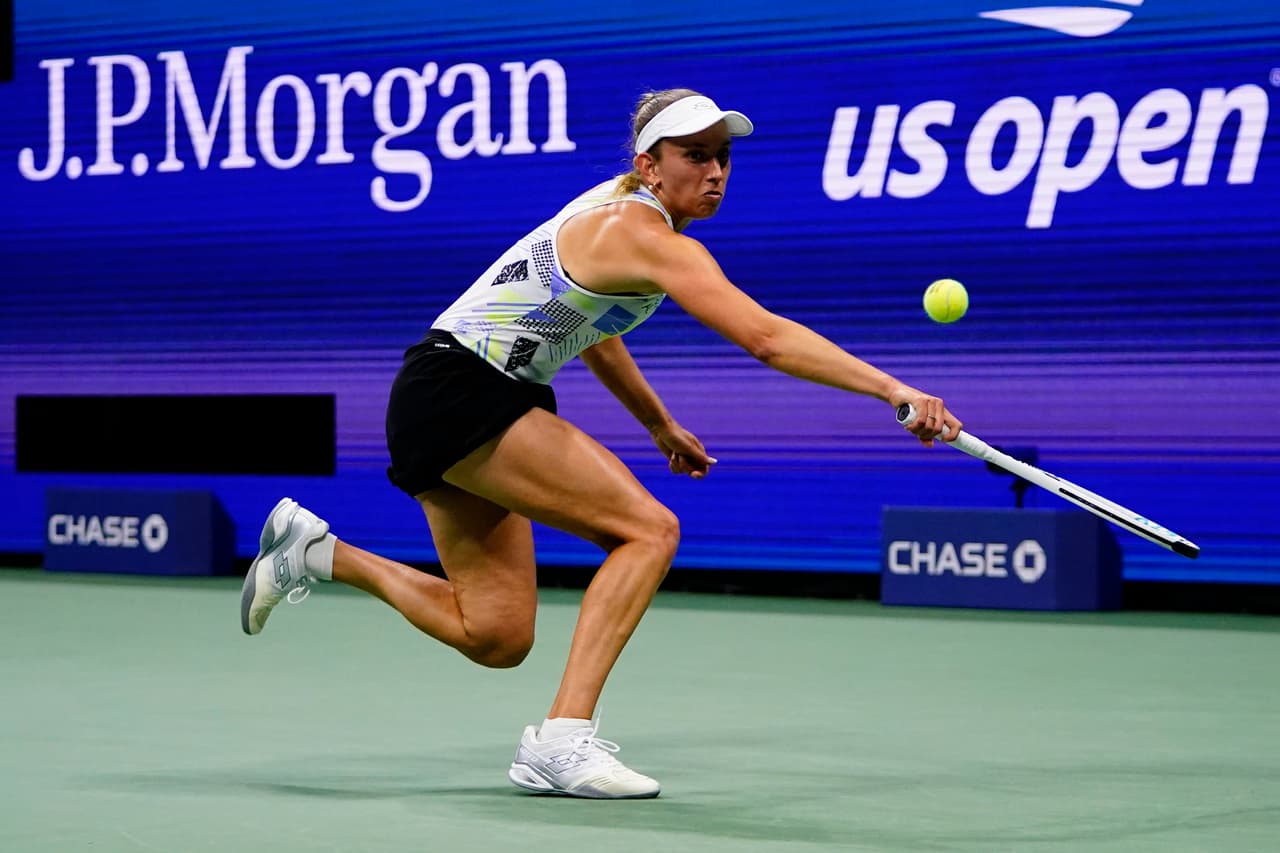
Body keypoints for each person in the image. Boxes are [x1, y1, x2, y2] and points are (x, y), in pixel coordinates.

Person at [240, 87, 962, 800]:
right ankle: (562, 737)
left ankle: (312, 552)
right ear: (651, 166)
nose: (714, 172)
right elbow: (767, 339)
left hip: (452, 393)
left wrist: (656, 421)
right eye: (695, 156)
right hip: (463, 390)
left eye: (723, 157)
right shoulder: (642, 233)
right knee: (648, 531)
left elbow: (591, 325)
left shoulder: (618, 215)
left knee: (494, 634)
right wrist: (893, 389)